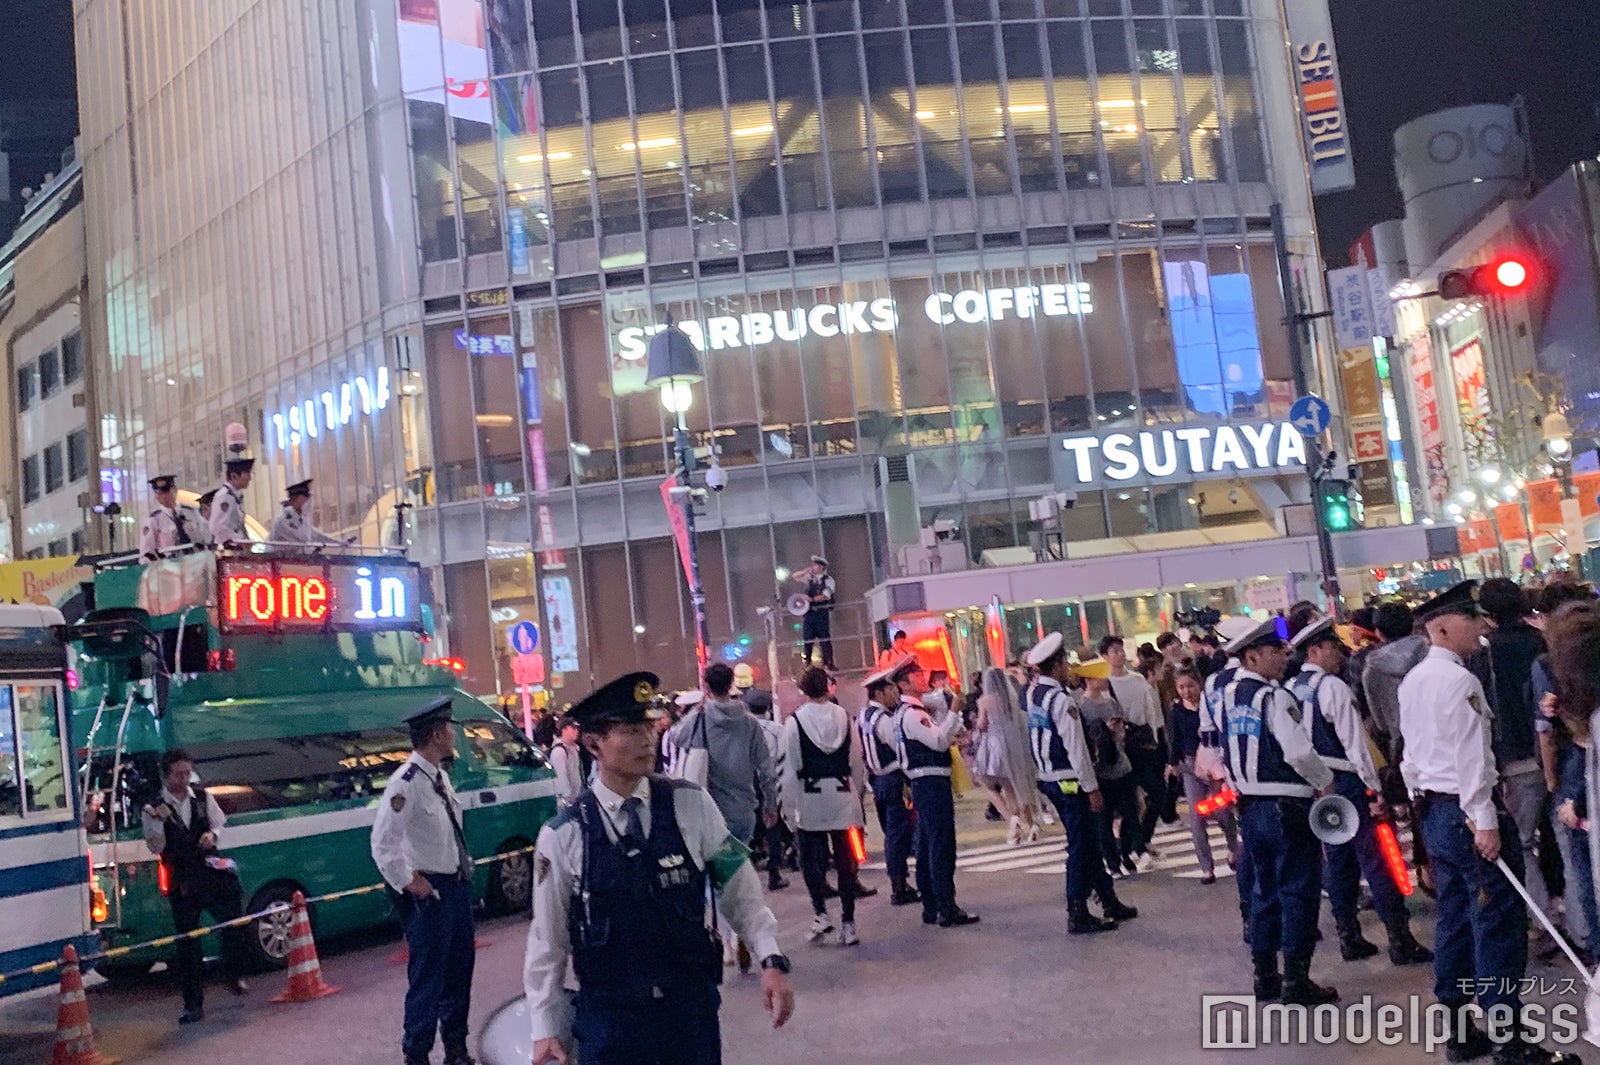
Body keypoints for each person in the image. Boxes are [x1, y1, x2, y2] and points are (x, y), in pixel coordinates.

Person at [523, 672, 795, 1065]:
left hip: (688, 1016)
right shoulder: (562, 836)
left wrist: (770, 958)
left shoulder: (691, 805)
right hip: (611, 1025)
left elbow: (740, 888)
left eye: (649, 726)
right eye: (631, 730)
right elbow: (547, 940)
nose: (647, 740)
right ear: (593, 743)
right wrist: (544, 1027)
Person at [1400, 580, 1577, 1065]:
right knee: (1496, 924)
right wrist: (1484, 820)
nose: (1481, 627)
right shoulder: (1460, 681)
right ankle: (1510, 1039)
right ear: (1440, 627)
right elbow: (1472, 758)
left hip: (1438, 811)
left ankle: (1460, 1031)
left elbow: (1410, 758)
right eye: (1470, 619)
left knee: (1455, 922)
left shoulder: (1414, 679)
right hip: (1467, 812)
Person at [1288, 617, 1431, 966]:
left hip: (1319, 786)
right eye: (1333, 648)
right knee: (1378, 859)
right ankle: (1400, 939)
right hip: (1349, 781)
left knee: (1338, 864)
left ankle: (1349, 936)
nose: (1340, 653)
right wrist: (1373, 789)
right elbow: (1356, 746)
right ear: (1314, 650)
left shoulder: (1291, 688)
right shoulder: (1333, 688)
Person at [1221, 619, 1337, 1006]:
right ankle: (1297, 980)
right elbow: (1298, 751)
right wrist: (1324, 782)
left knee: (1262, 890)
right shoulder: (1274, 697)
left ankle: (1265, 976)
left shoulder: (1230, 694)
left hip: (1250, 805)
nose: (1285, 657)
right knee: (1298, 891)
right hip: (1287, 803)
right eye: (1276, 652)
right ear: (1252, 656)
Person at [370, 696, 478, 1065]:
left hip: (455, 886)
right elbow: (383, 843)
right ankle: (416, 1053)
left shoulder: (439, 776)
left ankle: (456, 1048)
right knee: (428, 977)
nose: (453, 734)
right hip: (430, 893)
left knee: (459, 971)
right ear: (435, 735)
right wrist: (408, 880)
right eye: (448, 728)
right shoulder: (406, 782)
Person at [666, 662, 778, 970]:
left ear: (706, 685)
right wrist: (770, 804)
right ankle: (743, 932)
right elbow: (765, 769)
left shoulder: (699, 719)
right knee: (738, 872)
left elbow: (675, 738)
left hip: (709, 812)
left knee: (713, 879)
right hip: (744, 810)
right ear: (731, 684)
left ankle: (728, 939)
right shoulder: (749, 723)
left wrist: (699, 709)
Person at [1023, 636, 1137, 934]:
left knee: (1087, 839)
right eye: (1065, 663)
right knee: (1081, 844)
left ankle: (1109, 899)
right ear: (1058, 664)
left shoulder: (1034, 694)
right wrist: (1091, 787)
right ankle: (1077, 910)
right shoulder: (1061, 700)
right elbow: (1076, 748)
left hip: (1048, 778)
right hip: (1069, 781)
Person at [1468, 579, 1555, 929]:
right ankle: (1576, 916)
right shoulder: (1540, 641)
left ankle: (1544, 921)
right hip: (1553, 749)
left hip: (1514, 758)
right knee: (1562, 836)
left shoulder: (1483, 655)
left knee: (1519, 842)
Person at [141, 748, 249, 1025]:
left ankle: (231, 971)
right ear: (166, 775)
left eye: (188, 772)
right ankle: (193, 1004)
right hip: (181, 879)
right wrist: (158, 821)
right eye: (179, 773)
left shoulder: (202, 797)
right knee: (188, 943)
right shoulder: (152, 807)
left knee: (233, 922)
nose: (185, 778)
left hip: (208, 870)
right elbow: (156, 846)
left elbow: (219, 824)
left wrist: (211, 835)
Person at [782, 667, 868, 945]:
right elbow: (857, 760)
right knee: (846, 862)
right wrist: (856, 793)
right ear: (829, 688)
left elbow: (791, 767)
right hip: (843, 796)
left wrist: (789, 809)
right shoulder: (844, 717)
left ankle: (821, 914)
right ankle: (848, 922)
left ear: (803, 690)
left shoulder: (794, 722)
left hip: (810, 799)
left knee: (812, 862)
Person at [891, 654, 978, 926]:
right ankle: (945, 907)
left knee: (929, 843)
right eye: (916, 675)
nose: (922, 678)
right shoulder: (913, 714)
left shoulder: (912, 711)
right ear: (904, 685)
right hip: (930, 783)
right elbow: (939, 742)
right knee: (940, 844)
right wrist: (954, 710)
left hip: (925, 783)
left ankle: (932, 905)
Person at [1102, 635, 1165, 870]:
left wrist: (1156, 739)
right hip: (1120, 748)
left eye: (1121, 650)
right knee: (1129, 801)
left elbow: (1151, 712)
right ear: (1105, 656)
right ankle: (1134, 846)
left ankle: (1137, 841)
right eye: (1114, 651)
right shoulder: (1105, 683)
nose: (1119, 654)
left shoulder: (1138, 680)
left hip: (1142, 743)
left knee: (1158, 794)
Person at [1169, 667, 1237, 884]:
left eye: (1190, 686)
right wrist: (1172, 763)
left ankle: (1234, 850)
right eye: (1181, 687)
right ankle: (1206, 867)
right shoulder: (1177, 711)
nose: (1186, 691)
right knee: (1197, 816)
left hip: (1214, 766)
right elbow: (1175, 739)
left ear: (1199, 685)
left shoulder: (1211, 706)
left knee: (1223, 811)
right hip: (1190, 767)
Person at [857, 670, 919, 906]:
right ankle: (899, 885)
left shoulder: (863, 717)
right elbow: (900, 748)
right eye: (891, 690)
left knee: (891, 832)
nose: (896, 693)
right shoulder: (884, 720)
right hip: (893, 780)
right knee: (898, 833)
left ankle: (899, 882)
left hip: (877, 781)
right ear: (879, 693)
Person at [1076, 659, 1140, 878]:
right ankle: (1112, 863)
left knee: (1131, 812)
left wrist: (1117, 731)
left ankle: (1125, 851)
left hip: (1121, 764)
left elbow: (1122, 733)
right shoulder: (1082, 707)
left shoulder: (1111, 702)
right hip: (1101, 770)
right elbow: (1084, 740)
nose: (1106, 679)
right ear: (1090, 680)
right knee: (1104, 818)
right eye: (1101, 676)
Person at [973, 667, 1039, 845]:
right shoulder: (1012, 698)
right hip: (1014, 745)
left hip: (994, 747)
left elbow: (982, 724)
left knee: (990, 784)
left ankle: (1013, 820)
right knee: (1015, 785)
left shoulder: (985, 701)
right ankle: (1030, 823)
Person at [139, 474, 211, 559]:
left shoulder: (190, 513)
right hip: (170, 564)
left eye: (167, 492)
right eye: (160, 493)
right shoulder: (154, 519)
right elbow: (146, 550)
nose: (164, 496)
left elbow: (204, 536)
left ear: (175, 491)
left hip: (195, 560)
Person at [270, 478, 343, 545]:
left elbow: (316, 536)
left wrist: (340, 543)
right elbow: (303, 538)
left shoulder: (299, 518)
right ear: (295, 498)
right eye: (306, 496)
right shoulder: (283, 520)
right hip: (278, 558)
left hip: (295, 558)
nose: (308, 500)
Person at [798, 555, 836, 670]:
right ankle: (808, 663)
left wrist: (812, 600)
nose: (813, 567)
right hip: (809, 614)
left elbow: (825, 596)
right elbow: (795, 576)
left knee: (824, 639)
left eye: (815, 565)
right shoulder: (810, 578)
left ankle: (829, 662)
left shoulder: (829, 580)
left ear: (821, 567)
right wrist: (805, 571)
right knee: (807, 639)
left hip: (821, 613)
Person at [208, 456, 254, 544]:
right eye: (247, 473)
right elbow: (217, 527)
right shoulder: (225, 497)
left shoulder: (235, 495)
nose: (250, 478)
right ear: (234, 476)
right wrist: (239, 539)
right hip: (228, 548)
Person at [550, 716, 584, 807]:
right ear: (564, 729)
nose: (576, 731)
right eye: (573, 728)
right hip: (566, 802)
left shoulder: (574, 749)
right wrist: (567, 798)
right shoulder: (560, 751)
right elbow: (561, 776)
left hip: (575, 797)